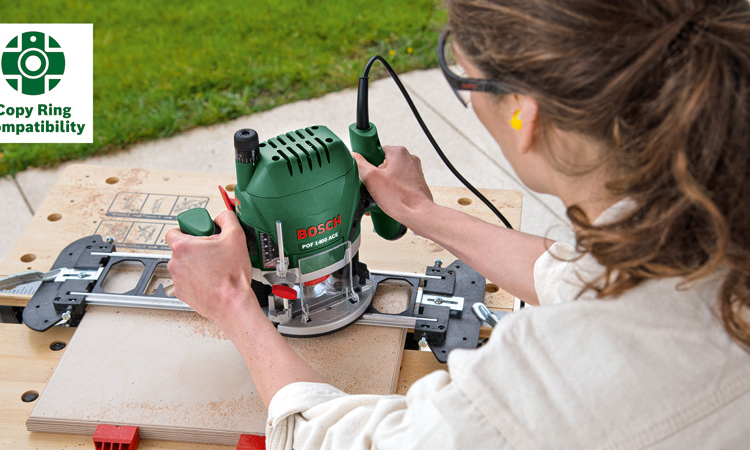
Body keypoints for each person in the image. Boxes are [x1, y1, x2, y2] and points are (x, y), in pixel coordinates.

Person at [165, 0, 750, 447]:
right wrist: (423, 214)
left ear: (527, 115)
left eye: (460, 76)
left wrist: (234, 301)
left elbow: (343, 440)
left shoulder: (546, 383)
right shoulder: (713, 219)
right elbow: (587, 276)